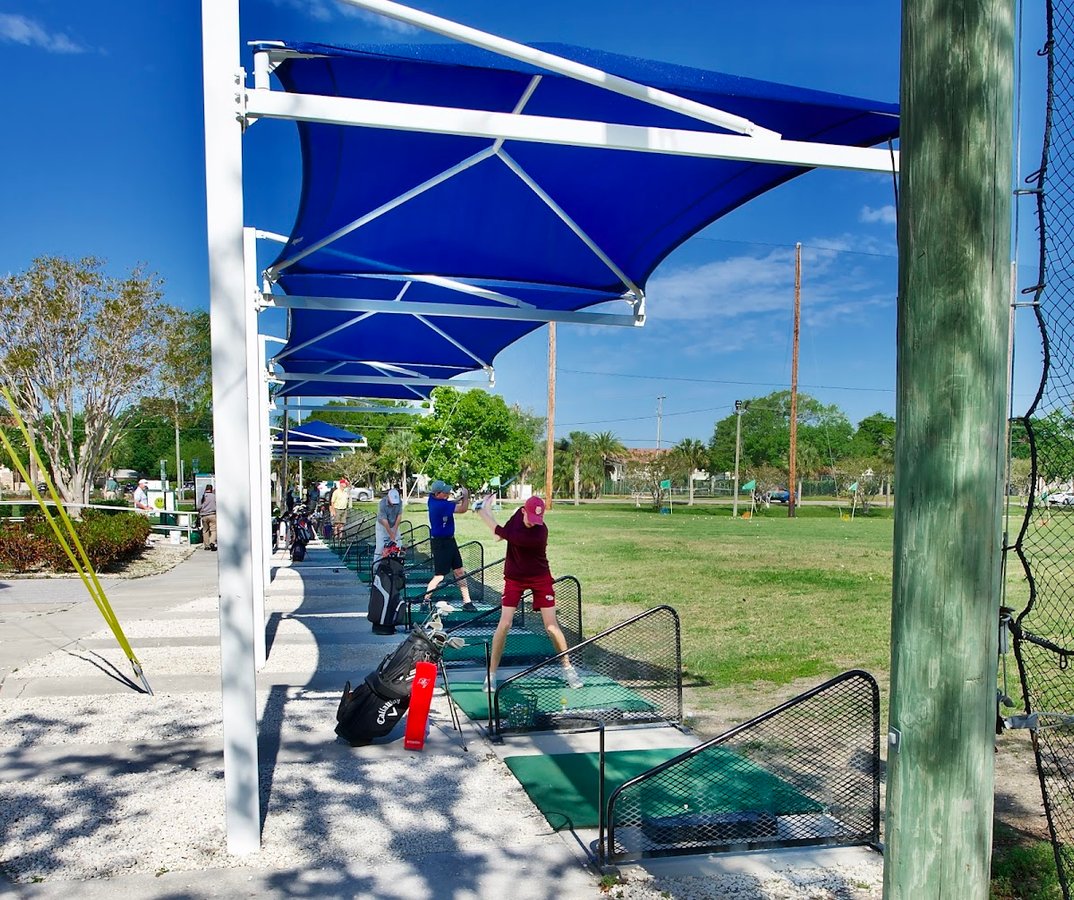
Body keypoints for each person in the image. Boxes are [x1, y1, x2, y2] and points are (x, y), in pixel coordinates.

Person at [475, 494, 582, 692]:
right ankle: (491, 675)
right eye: (531, 518)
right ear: (523, 510)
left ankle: (568, 668)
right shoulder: (517, 515)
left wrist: (482, 511)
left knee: (551, 626)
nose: (534, 523)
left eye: (537, 520)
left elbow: (498, 531)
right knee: (505, 623)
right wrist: (486, 509)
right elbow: (499, 536)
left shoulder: (538, 534)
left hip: (539, 577)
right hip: (514, 578)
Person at [424, 479, 474, 609]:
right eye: (445, 493)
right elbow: (463, 509)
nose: (447, 494)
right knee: (439, 576)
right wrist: (466, 497)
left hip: (450, 541)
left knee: (459, 571)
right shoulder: (440, 506)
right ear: (437, 493)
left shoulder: (433, 500)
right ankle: (425, 601)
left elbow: (449, 503)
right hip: (441, 544)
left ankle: (467, 602)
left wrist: (458, 499)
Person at [374, 487, 404, 562]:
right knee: (380, 547)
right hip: (382, 526)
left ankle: (395, 564)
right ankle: (376, 567)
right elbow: (385, 521)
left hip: (393, 524)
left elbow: (399, 516)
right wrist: (391, 534)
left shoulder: (399, 502)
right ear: (388, 497)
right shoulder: (382, 504)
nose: (394, 504)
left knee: (398, 544)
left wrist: (394, 530)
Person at [199, 484, 218, 551]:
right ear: (211, 489)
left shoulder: (203, 496)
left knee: (205, 530)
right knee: (213, 530)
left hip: (204, 516)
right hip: (212, 515)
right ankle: (212, 542)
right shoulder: (214, 496)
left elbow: (199, 506)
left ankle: (206, 545)